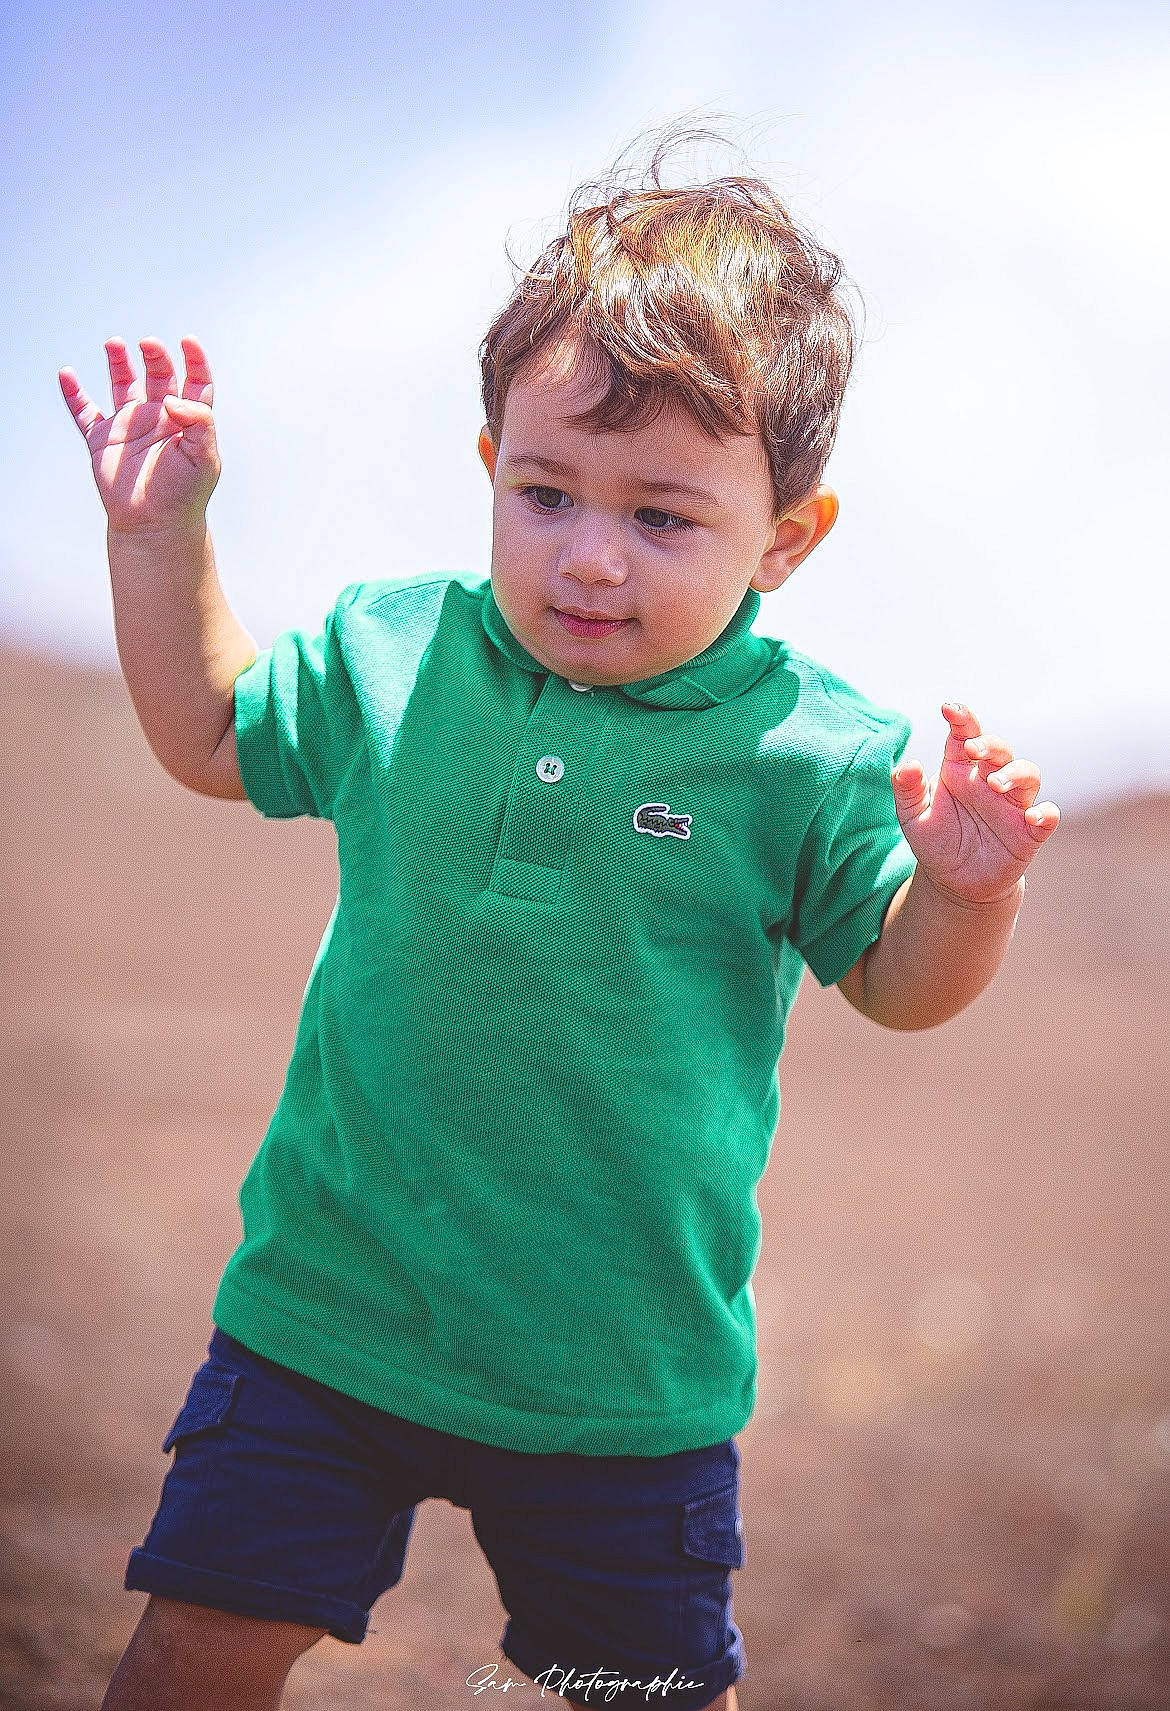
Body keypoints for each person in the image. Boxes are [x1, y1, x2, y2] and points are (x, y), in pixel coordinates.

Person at [60, 124, 1059, 1711]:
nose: (588, 556)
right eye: (545, 494)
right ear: (489, 473)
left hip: (626, 1381)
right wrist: (156, 536)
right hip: (331, 1316)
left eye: (663, 519)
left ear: (784, 540)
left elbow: (902, 985)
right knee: (193, 1651)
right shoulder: (399, 658)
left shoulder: (805, 749)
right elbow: (208, 733)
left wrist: (964, 890)